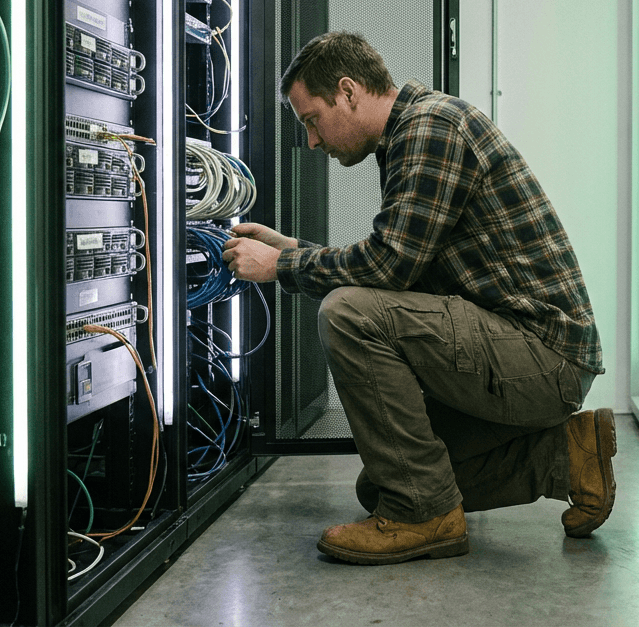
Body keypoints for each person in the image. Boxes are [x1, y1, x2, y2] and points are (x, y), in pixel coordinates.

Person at [221, 31, 616, 565]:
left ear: (348, 91)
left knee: (346, 313)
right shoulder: (414, 131)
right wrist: (292, 249)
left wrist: (282, 266)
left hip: (544, 357)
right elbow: (401, 271)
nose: (311, 141)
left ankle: (425, 518)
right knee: (383, 487)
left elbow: (387, 267)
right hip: (529, 352)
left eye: (311, 119)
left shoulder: (431, 127)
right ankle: (567, 458)